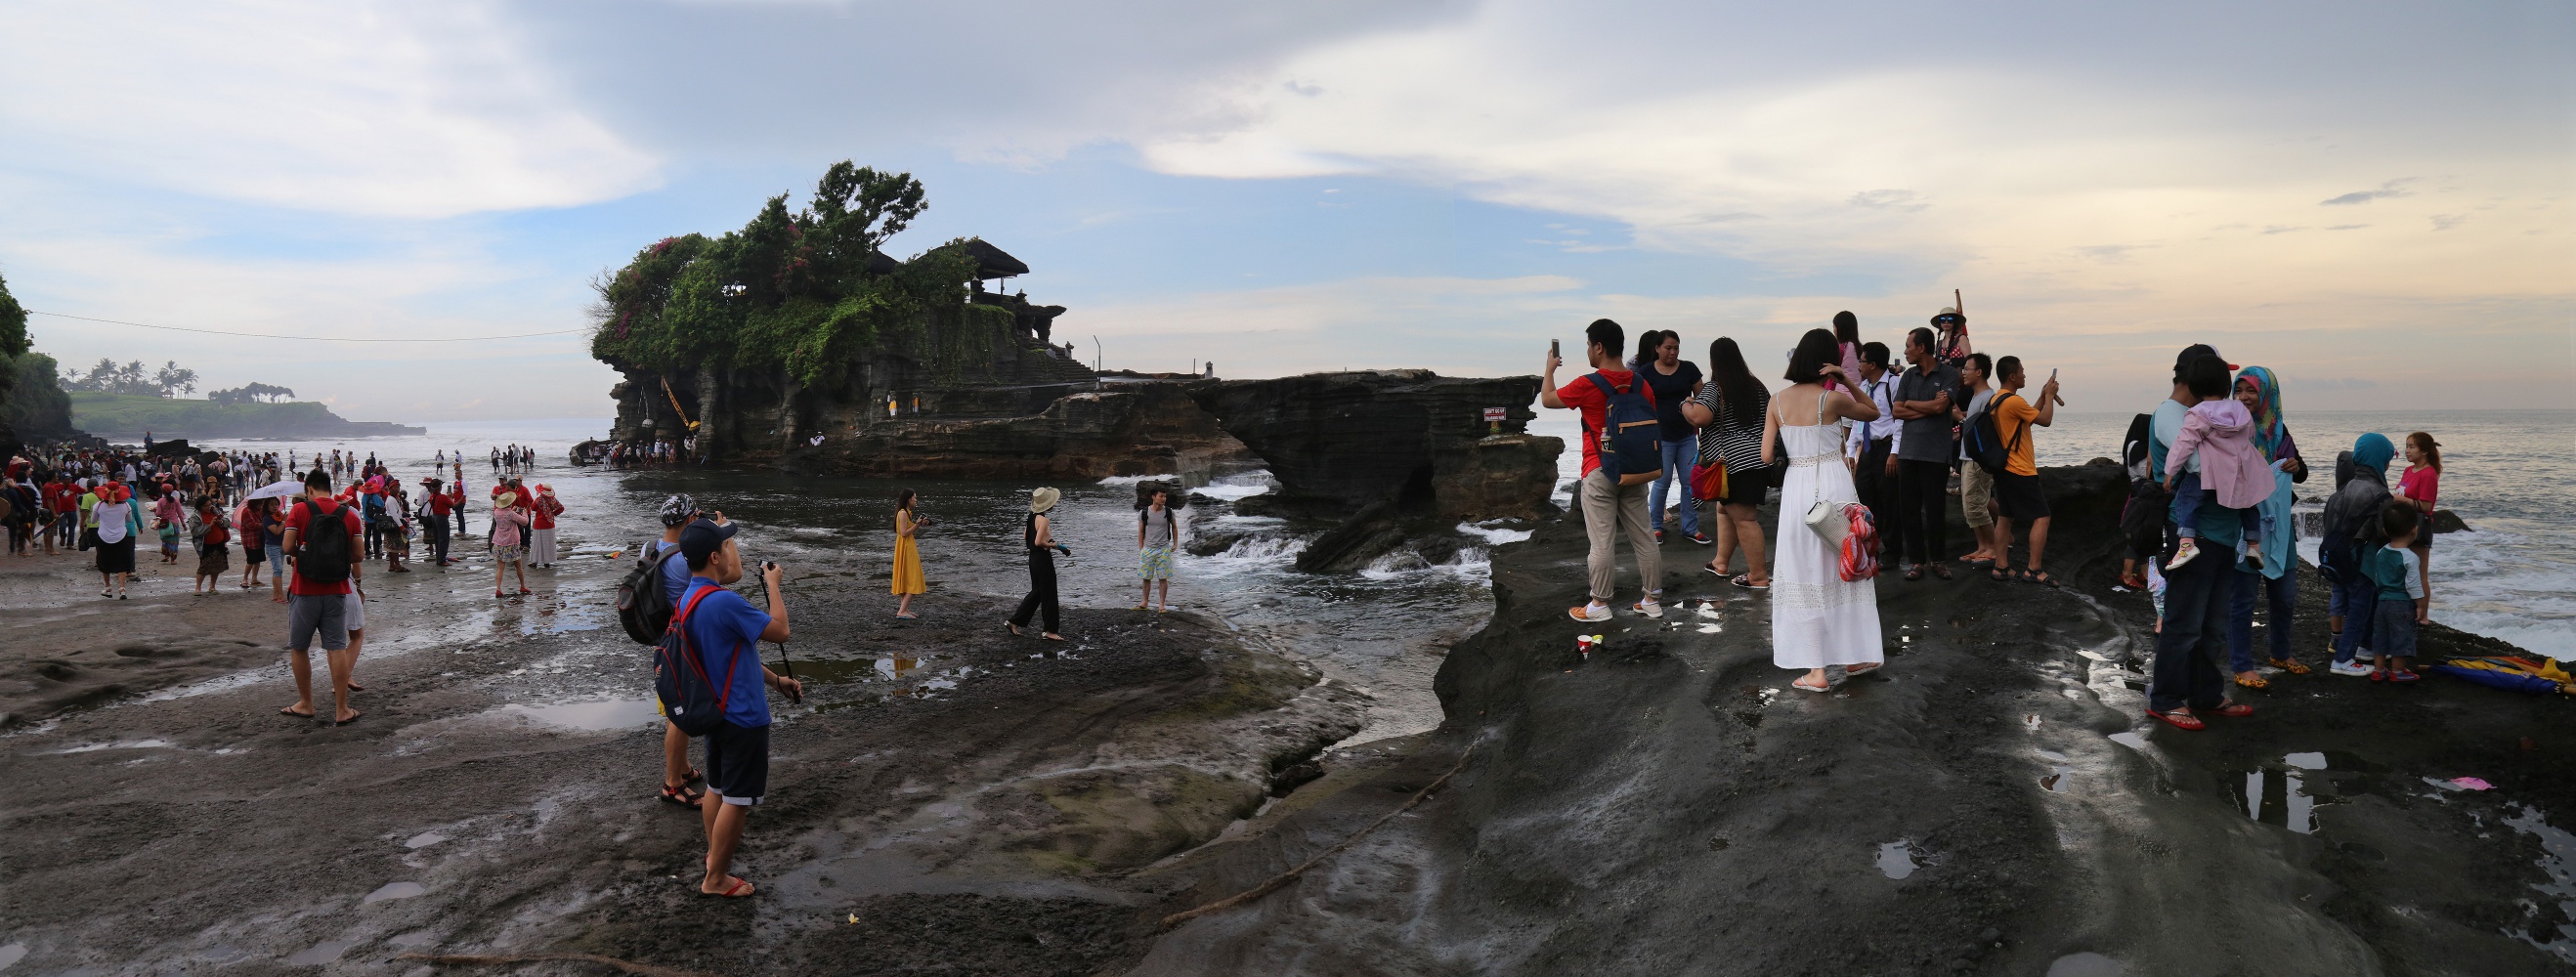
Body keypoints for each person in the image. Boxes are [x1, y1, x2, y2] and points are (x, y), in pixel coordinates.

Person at [670, 517, 799, 897]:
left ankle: (715, 858)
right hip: (743, 716)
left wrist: (776, 681)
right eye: (726, 547)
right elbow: (781, 630)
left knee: (717, 788)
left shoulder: (687, 600)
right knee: (738, 799)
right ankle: (715, 879)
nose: (730, 553)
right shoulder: (724, 601)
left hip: (716, 712)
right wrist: (774, 586)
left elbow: (729, 655)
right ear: (714, 557)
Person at [1765, 328, 1884, 693]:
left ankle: (1816, 670)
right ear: (1826, 362)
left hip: (1797, 486)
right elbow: (1873, 411)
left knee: (1804, 568)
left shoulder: (1776, 401)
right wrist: (1847, 377)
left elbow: (1767, 456)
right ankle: (1854, 655)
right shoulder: (1830, 400)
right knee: (1842, 561)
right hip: (1833, 482)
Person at [2143, 344, 2255, 731]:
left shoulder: (2209, 415)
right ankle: (2166, 699)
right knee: (2184, 622)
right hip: (2194, 532)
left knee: (2213, 623)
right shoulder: (2171, 414)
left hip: (2224, 531)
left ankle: (2206, 694)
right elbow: (2194, 463)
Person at [1543, 319, 1664, 621]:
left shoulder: (1588, 384)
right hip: (1636, 470)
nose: (1588, 351)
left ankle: (1599, 605)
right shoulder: (1641, 383)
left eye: (1588, 345)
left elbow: (1547, 399)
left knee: (1601, 542)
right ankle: (1652, 600)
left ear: (1599, 347)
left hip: (1599, 470)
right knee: (1645, 537)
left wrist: (1550, 368)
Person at [2225, 367, 2310, 688]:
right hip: (2245, 526)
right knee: (2243, 598)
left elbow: (2300, 474)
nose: (2244, 397)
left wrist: (2294, 465)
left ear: (2267, 396)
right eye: (2239, 390)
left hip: (2280, 527)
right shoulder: (2229, 428)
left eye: (2252, 391)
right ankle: (2242, 665)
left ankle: (2280, 653)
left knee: (2285, 594)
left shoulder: (2278, 429)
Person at [2160, 356, 2269, 572]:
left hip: (2209, 474)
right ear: (2227, 385)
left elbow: (2185, 443)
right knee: (2249, 503)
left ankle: (2187, 544)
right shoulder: (2240, 410)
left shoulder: (2198, 413)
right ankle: (2253, 544)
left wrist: (2170, 471)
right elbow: (2250, 437)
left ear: (2195, 387)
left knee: (2187, 499)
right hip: (2240, 471)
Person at [1679, 337, 1771, 588]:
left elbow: (1699, 417)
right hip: (1756, 460)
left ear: (1714, 361)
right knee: (1724, 509)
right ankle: (1721, 562)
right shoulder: (1758, 387)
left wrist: (1686, 405)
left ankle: (1758, 577)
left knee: (1745, 519)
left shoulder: (1716, 387)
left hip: (1733, 463)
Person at [280, 471, 365, 724]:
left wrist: (303, 556)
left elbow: (286, 547)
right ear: (329, 488)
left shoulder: (300, 511)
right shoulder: (349, 514)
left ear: (309, 489)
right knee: (336, 648)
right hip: (337, 590)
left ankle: (306, 704)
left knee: (300, 648)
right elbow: (358, 555)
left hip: (304, 589)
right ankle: (342, 710)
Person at [645, 494, 708, 809]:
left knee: (673, 704)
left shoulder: (649, 548)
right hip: (683, 642)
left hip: (661, 638)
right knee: (679, 715)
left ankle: (682, 768)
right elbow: (728, 574)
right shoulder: (685, 559)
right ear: (688, 520)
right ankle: (672, 784)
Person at [2320, 433, 2397, 676]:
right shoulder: (2380, 494)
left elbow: (2329, 524)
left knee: (2367, 602)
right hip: (2362, 563)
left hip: (2338, 559)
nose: (2387, 464)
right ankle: (2342, 660)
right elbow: (2385, 532)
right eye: (2387, 459)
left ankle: (2366, 647)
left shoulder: (2341, 491)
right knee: (2359, 609)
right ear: (2378, 460)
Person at [1889, 327, 1961, 578]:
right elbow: (1897, 411)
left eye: (1908, 345)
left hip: (1935, 455)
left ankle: (1938, 561)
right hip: (1908, 453)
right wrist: (1929, 408)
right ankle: (1917, 562)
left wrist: (1913, 404)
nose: (1905, 350)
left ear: (1921, 347)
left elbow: (1943, 405)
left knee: (1935, 510)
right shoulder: (1908, 376)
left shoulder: (1949, 373)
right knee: (1909, 510)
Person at [1988, 356, 2062, 586]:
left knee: (2005, 517)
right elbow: (2046, 420)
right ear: (2012, 376)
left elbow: (2026, 420)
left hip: (2003, 469)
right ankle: (2034, 569)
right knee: (2042, 516)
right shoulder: (2013, 401)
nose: (2024, 374)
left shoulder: (1998, 400)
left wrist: (2041, 396)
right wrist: (2049, 397)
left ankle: (2001, 567)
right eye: (2021, 371)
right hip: (2020, 469)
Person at [1638, 330, 1705, 544]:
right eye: (1668, 348)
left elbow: (1703, 396)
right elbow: (1637, 402)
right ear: (1657, 348)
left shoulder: (1689, 369)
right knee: (1662, 481)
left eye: (1676, 347)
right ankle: (1655, 527)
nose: (1673, 352)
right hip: (1660, 436)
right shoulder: (1646, 372)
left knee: (1689, 483)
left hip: (1686, 435)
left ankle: (1690, 528)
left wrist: (1693, 405)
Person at [1843, 341, 1904, 567]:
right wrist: (1851, 451)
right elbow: (1860, 421)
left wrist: (1895, 453)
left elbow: (1899, 421)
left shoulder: (1894, 384)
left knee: (1889, 502)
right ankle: (1871, 550)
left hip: (1886, 448)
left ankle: (1892, 552)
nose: (1858, 365)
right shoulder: (1865, 387)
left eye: (1862, 360)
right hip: (1867, 450)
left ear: (1873, 364)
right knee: (1866, 502)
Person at [2362, 505, 2428, 682]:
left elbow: (2377, 576)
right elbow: (2413, 585)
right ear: (2414, 530)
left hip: (2382, 602)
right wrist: (2421, 605)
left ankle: (2379, 670)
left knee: (2380, 635)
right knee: (2401, 636)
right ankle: (2398, 672)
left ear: (2385, 530)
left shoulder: (2381, 552)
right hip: (2401, 604)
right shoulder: (2410, 557)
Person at [1953, 353, 2003, 567]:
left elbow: (1984, 430)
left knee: (1977, 505)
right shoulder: (1976, 396)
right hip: (1967, 457)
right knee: (1970, 506)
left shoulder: (1989, 397)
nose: (1963, 373)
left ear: (1979, 372)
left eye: (1967, 369)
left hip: (1978, 461)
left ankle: (1993, 549)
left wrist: (1961, 419)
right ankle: (1982, 547)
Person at [1009, 487, 1071, 639]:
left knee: (1037, 592)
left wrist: (1046, 541)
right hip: (1042, 559)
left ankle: (1014, 622)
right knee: (1049, 593)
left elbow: (1026, 536)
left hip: (1033, 559)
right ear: (1049, 504)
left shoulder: (1032, 517)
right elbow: (1037, 542)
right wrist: (1053, 545)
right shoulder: (1044, 519)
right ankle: (1050, 631)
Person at [2394, 432, 2441, 605]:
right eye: (2406, 446)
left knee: (2419, 573)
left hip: (2419, 527)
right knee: (2403, 571)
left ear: (2424, 451)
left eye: (2411, 447)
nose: (2407, 450)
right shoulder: (2408, 470)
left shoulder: (2428, 474)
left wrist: (2402, 500)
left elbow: (2427, 506)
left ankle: (2423, 614)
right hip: (2403, 525)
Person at [91, 478, 142, 599]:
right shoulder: (125, 505)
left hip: (103, 536)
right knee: (122, 562)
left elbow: (93, 520)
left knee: (104, 561)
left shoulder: (98, 506)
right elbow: (129, 519)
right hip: (121, 536)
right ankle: (122, 588)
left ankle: (108, 588)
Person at [1136, 487, 1181, 612]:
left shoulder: (1168, 511)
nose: (1164, 499)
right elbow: (1140, 531)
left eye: (1165, 496)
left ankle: (1161, 605)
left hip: (1163, 549)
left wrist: (1175, 543)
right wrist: (1141, 548)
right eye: (1161, 496)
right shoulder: (1144, 512)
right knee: (1146, 577)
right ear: (1153, 497)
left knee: (1163, 578)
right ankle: (1145, 602)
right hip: (1148, 549)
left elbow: (1175, 527)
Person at [490, 490, 533, 597]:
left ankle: (498, 589)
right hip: (511, 542)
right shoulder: (511, 514)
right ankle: (522, 586)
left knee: (500, 567)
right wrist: (524, 512)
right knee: (518, 565)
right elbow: (524, 522)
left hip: (499, 541)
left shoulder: (496, 512)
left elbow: (505, 515)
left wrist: (512, 511)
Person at [892, 489, 927, 618]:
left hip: (906, 546)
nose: (916, 500)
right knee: (912, 577)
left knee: (905, 576)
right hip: (906, 547)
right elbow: (904, 533)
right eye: (914, 498)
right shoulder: (902, 513)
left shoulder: (906, 513)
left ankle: (904, 609)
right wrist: (917, 523)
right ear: (908, 499)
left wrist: (920, 524)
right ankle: (901, 612)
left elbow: (908, 530)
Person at [190, 495, 231, 595]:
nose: (209, 507)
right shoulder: (196, 517)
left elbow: (227, 522)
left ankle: (212, 587)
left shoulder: (215, 511)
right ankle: (198, 588)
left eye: (210, 505)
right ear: (200, 507)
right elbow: (196, 532)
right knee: (204, 567)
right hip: (206, 545)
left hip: (219, 543)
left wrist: (221, 522)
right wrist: (210, 525)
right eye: (206, 506)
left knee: (216, 566)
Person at [420, 478, 453, 568]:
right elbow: (453, 505)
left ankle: (439, 558)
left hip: (435, 517)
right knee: (444, 539)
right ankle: (442, 559)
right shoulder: (442, 497)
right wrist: (451, 498)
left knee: (438, 539)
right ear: (439, 488)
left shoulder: (432, 496)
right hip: (442, 517)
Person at [529, 484, 563, 569]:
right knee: (548, 543)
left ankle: (535, 561)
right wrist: (554, 513)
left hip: (540, 523)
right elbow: (561, 508)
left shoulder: (539, 499)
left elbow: (533, 507)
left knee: (537, 543)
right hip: (550, 523)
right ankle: (547, 562)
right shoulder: (553, 499)